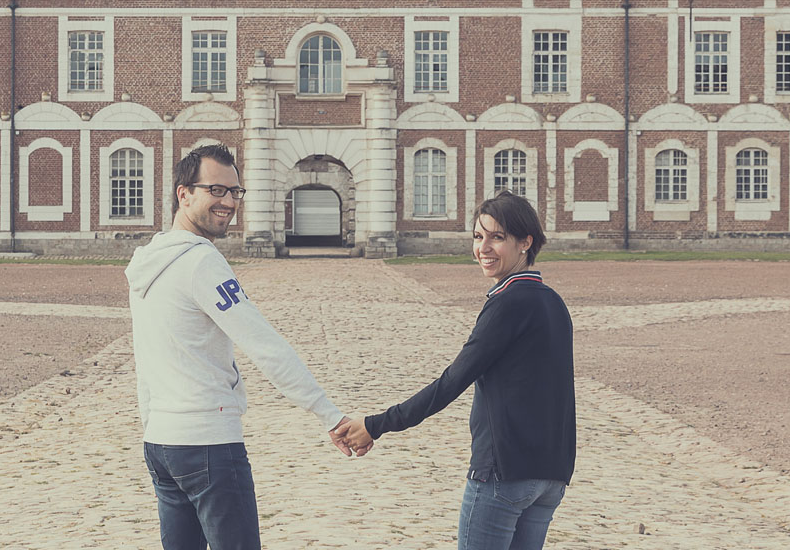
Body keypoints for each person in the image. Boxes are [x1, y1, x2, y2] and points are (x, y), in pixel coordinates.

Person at [127, 143, 357, 550]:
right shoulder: (201, 263)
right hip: (207, 443)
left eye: (235, 192)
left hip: (162, 445)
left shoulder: (148, 261)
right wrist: (329, 414)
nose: (229, 202)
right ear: (184, 194)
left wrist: (152, 425)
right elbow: (265, 345)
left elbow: (147, 358)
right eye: (216, 190)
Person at [334, 190, 575, 550]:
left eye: (497, 237)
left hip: (503, 472)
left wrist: (376, 424)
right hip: (549, 475)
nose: (484, 248)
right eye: (479, 237)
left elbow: (451, 382)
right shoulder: (553, 302)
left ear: (526, 242)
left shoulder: (508, 304)